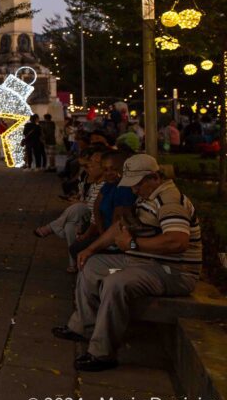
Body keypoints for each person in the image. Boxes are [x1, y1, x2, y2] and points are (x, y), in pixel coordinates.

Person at [53, 154, 202, 372]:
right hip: (145, 260)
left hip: (173, 271)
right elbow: (120, 227)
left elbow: (177, 241)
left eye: (137, 184)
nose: (133, 190)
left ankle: (102, 352)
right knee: (92, 266)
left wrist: (133, 245)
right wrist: (90, 249)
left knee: (116, 283)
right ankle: (83, 326)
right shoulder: (146, 197)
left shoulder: (169, 201)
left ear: (153, 177)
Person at [33, 148, 103, 272]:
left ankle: (52, 227)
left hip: (93, 220)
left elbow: (95, 212)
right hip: (85, 216)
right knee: (69, 227)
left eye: (92, 164)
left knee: (78, 208)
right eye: (87, 164)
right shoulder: (87, 178)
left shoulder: (104, 186)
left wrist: (80, 203)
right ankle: (74, 263)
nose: (89, 167)